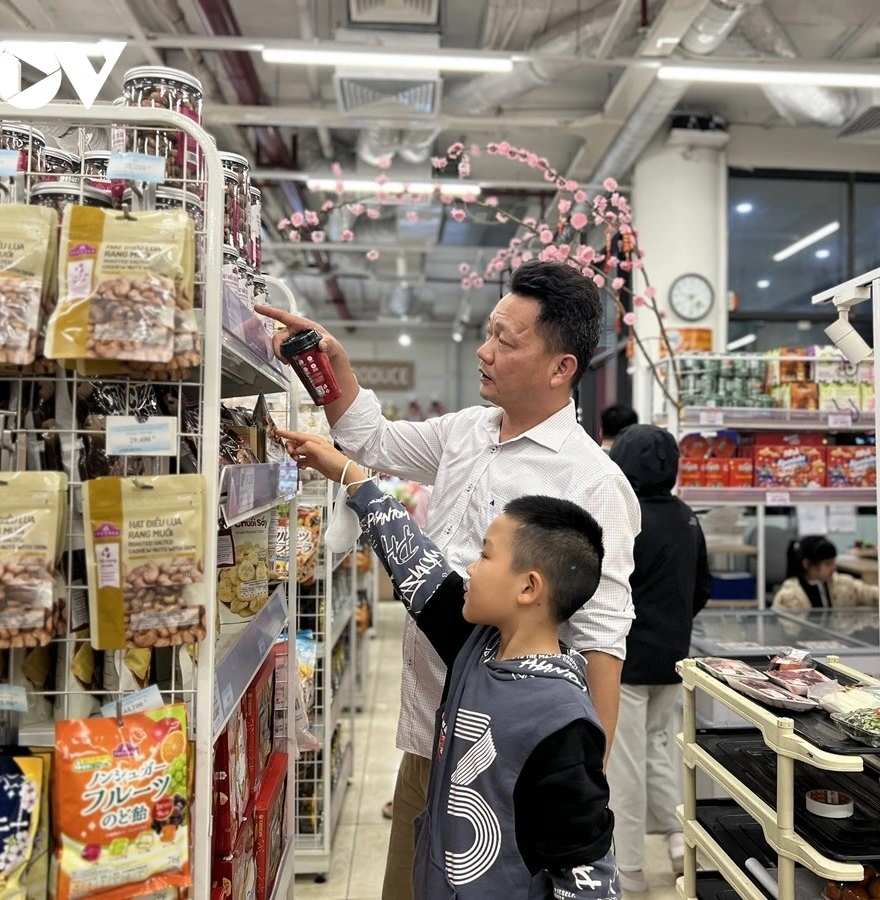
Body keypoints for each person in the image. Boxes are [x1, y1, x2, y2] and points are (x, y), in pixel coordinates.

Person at [255, 259, 639, 900]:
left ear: (561, 368)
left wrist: (578, 789)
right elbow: (373, 440)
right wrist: (333, 367)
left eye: (505, 341)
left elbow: (602, 641)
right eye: (488, 333)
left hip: (511, 759)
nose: (484, 352)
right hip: (430, 733)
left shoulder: (592, 481)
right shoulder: (467, 431)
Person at [284, 431, 620, 899]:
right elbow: (414, 563)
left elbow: (586, 866)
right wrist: (351, 476)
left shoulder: (563, 720)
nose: (470, 568)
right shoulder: (474, 648)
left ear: (528, 588)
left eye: (484, 555)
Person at [607, 425, 710, 893]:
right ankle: (677, 844)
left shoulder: (624, 515)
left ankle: (629, 868)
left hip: (626, 660)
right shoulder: (688, 518)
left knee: (625, 766)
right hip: (672, 657)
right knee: (661, 750)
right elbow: (702, 589)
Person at [772, 536, 880, 612]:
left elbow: (867, 593)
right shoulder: (789, 595)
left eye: (833, 562)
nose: (834, 568)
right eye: (827, 564)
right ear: (807, 564)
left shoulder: (842, 584)